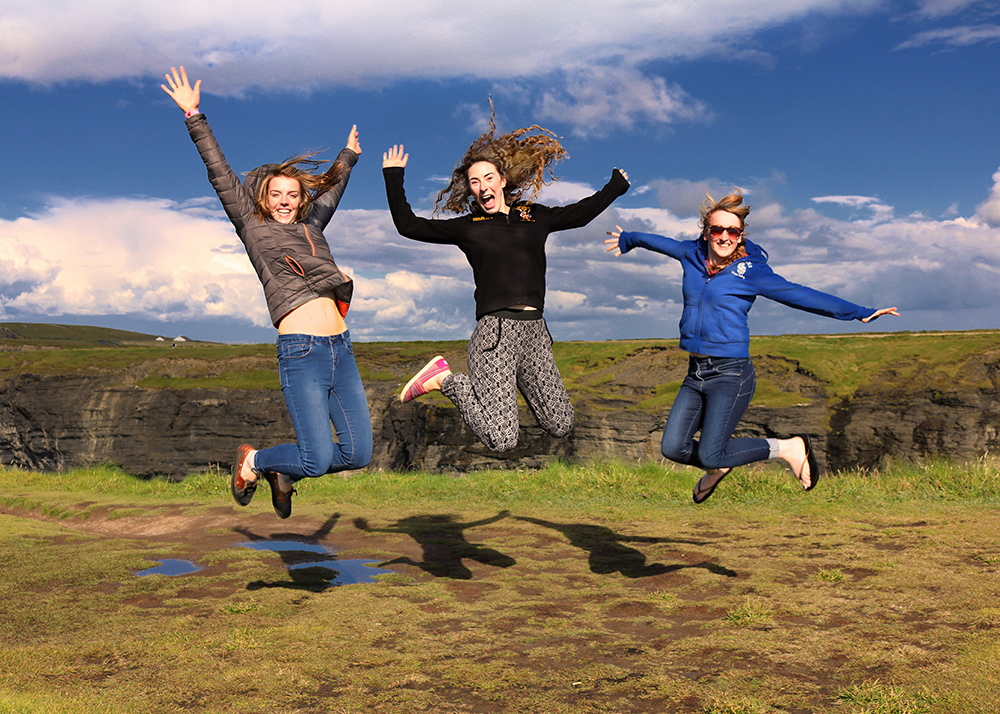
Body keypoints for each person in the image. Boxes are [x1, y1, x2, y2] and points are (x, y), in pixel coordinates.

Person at [162, 66, 372, 519]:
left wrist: (348, 157)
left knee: (358, 454)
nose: (283, 200)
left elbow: (331, 192)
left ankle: (281, 471)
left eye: (292, 195)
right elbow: (220, 174)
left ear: (300, 200)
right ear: (263, 197)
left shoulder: (312, 226)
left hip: (342, 350)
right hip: (301, 352)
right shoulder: (253, 229)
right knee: (316, 458)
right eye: (275, 193)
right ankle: (255, 462)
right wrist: (194, 116)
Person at [605, 190, 898, 502]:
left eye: (733, 231)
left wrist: (859, 312)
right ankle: (717, 466)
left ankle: (789, 447)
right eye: (717, 229)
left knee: (712, 453)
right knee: (673, 447)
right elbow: (660, 243)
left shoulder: (751, 271)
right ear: (706, 232)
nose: (724, 236)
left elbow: (799, 294)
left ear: (740, 234)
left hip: (731, 374)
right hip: (697, 373)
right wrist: (630, 238)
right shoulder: (691, 255)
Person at [382, 106, 629, 453]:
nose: (481, 187)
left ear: (502, 180)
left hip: (535, 333)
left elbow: (578, 214)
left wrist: (614, 188)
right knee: (502, 438)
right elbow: (408, 225)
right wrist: (393, 177)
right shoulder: (468, 227)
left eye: (487, 178)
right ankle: (443, 380)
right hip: (495, 333)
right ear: (469, 189)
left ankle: (456, 382)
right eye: (474, 181)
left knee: (560, 423)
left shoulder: (533, 216)